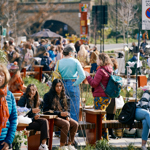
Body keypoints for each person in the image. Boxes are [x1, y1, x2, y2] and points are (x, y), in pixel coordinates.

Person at [85, 53, 113, 140]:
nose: (96, 61)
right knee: (102, 117)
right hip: (107, 97)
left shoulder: (100, 70)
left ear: (101, 60)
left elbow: (94, 84)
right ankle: (104, 138)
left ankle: (102, 139)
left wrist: (88, 76)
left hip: (100, 97)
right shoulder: (109, 69)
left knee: (99, 118)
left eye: (97, 59)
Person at [43, 79, 78, 150]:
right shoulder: (48, 96)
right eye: (57, 86)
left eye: (60, 86)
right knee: (66, 124)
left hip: (63, 117)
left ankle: (69, 144)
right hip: (53, 118)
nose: (59, 88)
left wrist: (67, 116)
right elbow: (45, 111)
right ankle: (62, 147)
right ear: (53, 87)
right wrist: (59, 113)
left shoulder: (65, 97)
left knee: (75, 124)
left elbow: (68, 110)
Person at [57, 44, 85, 122]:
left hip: (61, 85)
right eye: (74, 52)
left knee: (62, 107)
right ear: (70, 52)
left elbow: (55, 74)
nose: (74, 53)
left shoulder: (59, 62)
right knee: (74, 109)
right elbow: (82, 76)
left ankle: (62, 129)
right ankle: (73, 129)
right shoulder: (75, 61)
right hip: (73, 84)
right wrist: (75, 84)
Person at [17, 84, 49, 150]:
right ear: (27, 91)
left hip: (34, 120)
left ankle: (43, 145)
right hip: (25, 122)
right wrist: (31, 111)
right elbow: (19, 111)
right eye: (30, 90)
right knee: (44, 125)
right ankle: (39, 145)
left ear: (36, 91)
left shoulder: (38, 100)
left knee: (45, 122)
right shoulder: (23, 99)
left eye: (34, 90)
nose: (32, 92)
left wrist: (39, 114)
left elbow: (44, 108)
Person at [0, 64, 17, 150]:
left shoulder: (9, 96)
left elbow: (13, 119)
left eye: (2, 75)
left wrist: (9, 140)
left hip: (3, 141)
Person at [106, 57, 118, 139]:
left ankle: (110, 132)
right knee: (110, 115)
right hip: (110, 94)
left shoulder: (111, 71)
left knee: (110, 114)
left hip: (111, 94)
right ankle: (109, 132)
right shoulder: (110, 72)